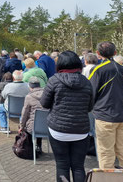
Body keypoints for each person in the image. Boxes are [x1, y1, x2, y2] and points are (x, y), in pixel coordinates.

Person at [40, 50, 93, 182]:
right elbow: (90, 107)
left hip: (58, 130)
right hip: (81, 130)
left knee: (62, 166)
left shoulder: (54, 81)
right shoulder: (87, 82)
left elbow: (44, 104)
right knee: (78, 167)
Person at [88, 41, 123, 169]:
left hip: (104, 116)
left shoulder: (97, 69)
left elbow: (91, 92)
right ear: (115, 52)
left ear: (97, 54)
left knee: (106, 153)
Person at [19, 77, 45, 154]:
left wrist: (21, 126)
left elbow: (24, 114)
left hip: (33, 126)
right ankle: (39, 146)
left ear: (30, 87)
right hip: (47, 126)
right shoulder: (47, 94)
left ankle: (30, 148)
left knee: (29, 124)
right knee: (40, 120)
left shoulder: (29, 97)